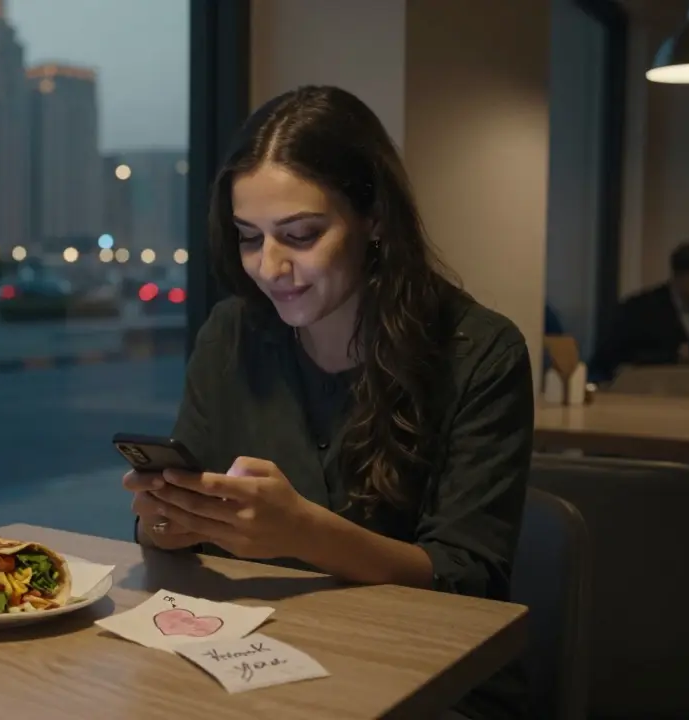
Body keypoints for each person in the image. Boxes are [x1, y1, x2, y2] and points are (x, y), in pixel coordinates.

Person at [122, 86, 534, 720]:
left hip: (428, 680)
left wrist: (305, 532)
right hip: (259, 665)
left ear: (372, 218)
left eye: (302, 234)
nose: (270, 267)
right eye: (248, 237)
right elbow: (179, 531)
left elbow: (467, 582)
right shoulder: (232, 334)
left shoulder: (478, 351)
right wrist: (166, 520)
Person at [590, 241, 689, 382]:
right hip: (646, 391)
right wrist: (672, 357)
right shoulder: (639, 309)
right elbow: (612, 358)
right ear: (676, 278)